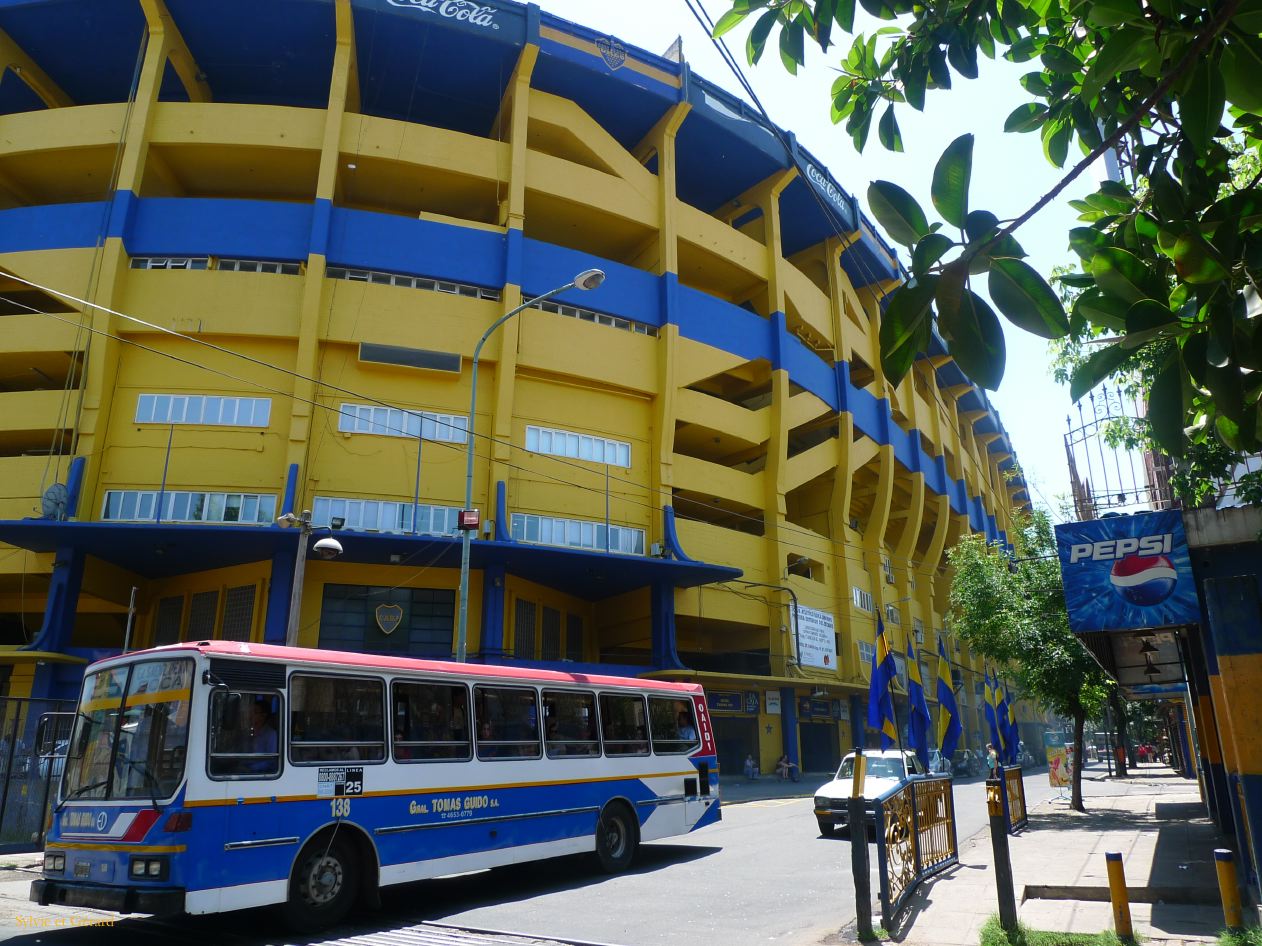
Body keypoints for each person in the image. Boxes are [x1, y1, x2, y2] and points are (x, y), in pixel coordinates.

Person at [247, 700, 277, 773]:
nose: (251, 716)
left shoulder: (271, 734)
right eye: (251, 712)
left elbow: (271, 760)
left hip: (263, 774)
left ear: (263, 716)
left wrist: (251, 769)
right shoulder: (250, 731)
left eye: (255, 712)